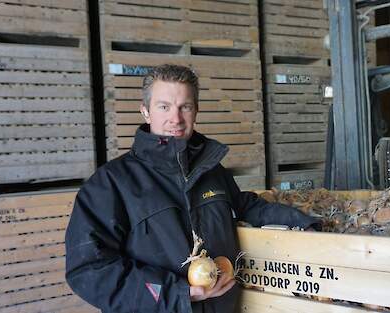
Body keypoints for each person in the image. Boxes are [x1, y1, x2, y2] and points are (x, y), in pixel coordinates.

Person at [65, 64, 320, 313]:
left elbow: (243, 206)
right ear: (145, 111)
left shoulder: (211, 171)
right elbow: (88, 269)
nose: (175, 119)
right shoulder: (110, 184)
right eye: (163, 107)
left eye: (184, 107)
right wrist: (176, 294)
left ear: (196, 111)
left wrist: (302, 223)